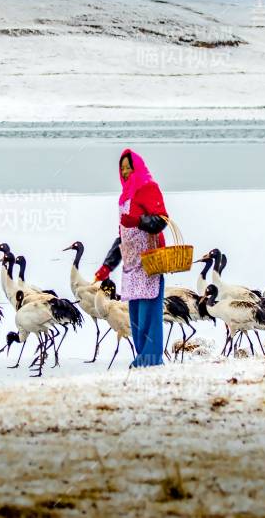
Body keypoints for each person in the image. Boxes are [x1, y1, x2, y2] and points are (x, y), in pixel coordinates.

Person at [95, 148, 169, 368]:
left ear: (138, 168)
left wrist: (138, 221)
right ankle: (142, 356)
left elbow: (162, 219)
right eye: (122, 169)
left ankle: (152, 357)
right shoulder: (123, 197)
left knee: (149, 311)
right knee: (136, 315)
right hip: (131, 263)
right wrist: (107, 266)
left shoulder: (148, 188)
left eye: (129, 168)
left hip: (149, 260)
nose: (126, 172)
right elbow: (122, 238)